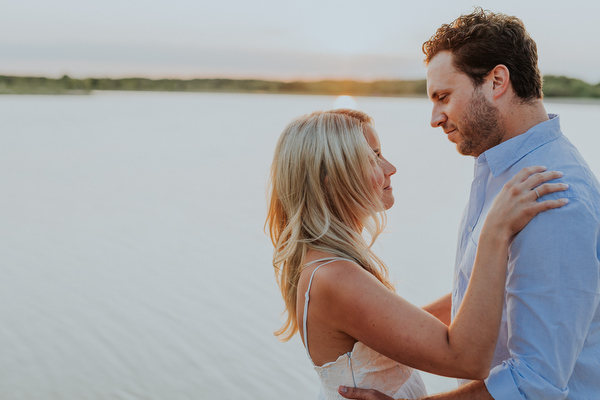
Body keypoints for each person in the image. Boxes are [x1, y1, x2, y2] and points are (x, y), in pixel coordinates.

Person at [340, 8, 600, 400]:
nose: (435, 118)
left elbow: (535, 383)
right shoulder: (501, 166)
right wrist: (389, 331)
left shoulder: (553, 194)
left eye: (443, 97)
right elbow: (493, 292)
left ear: (497, 81)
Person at [266, 108, 568, 399]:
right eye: (373, 157)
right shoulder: (334, 276)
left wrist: (519, 274)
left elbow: (408, 325)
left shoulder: (327, 266)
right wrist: (495, 231)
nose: (390, 167)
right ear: (331, 178)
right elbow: (467, 359)